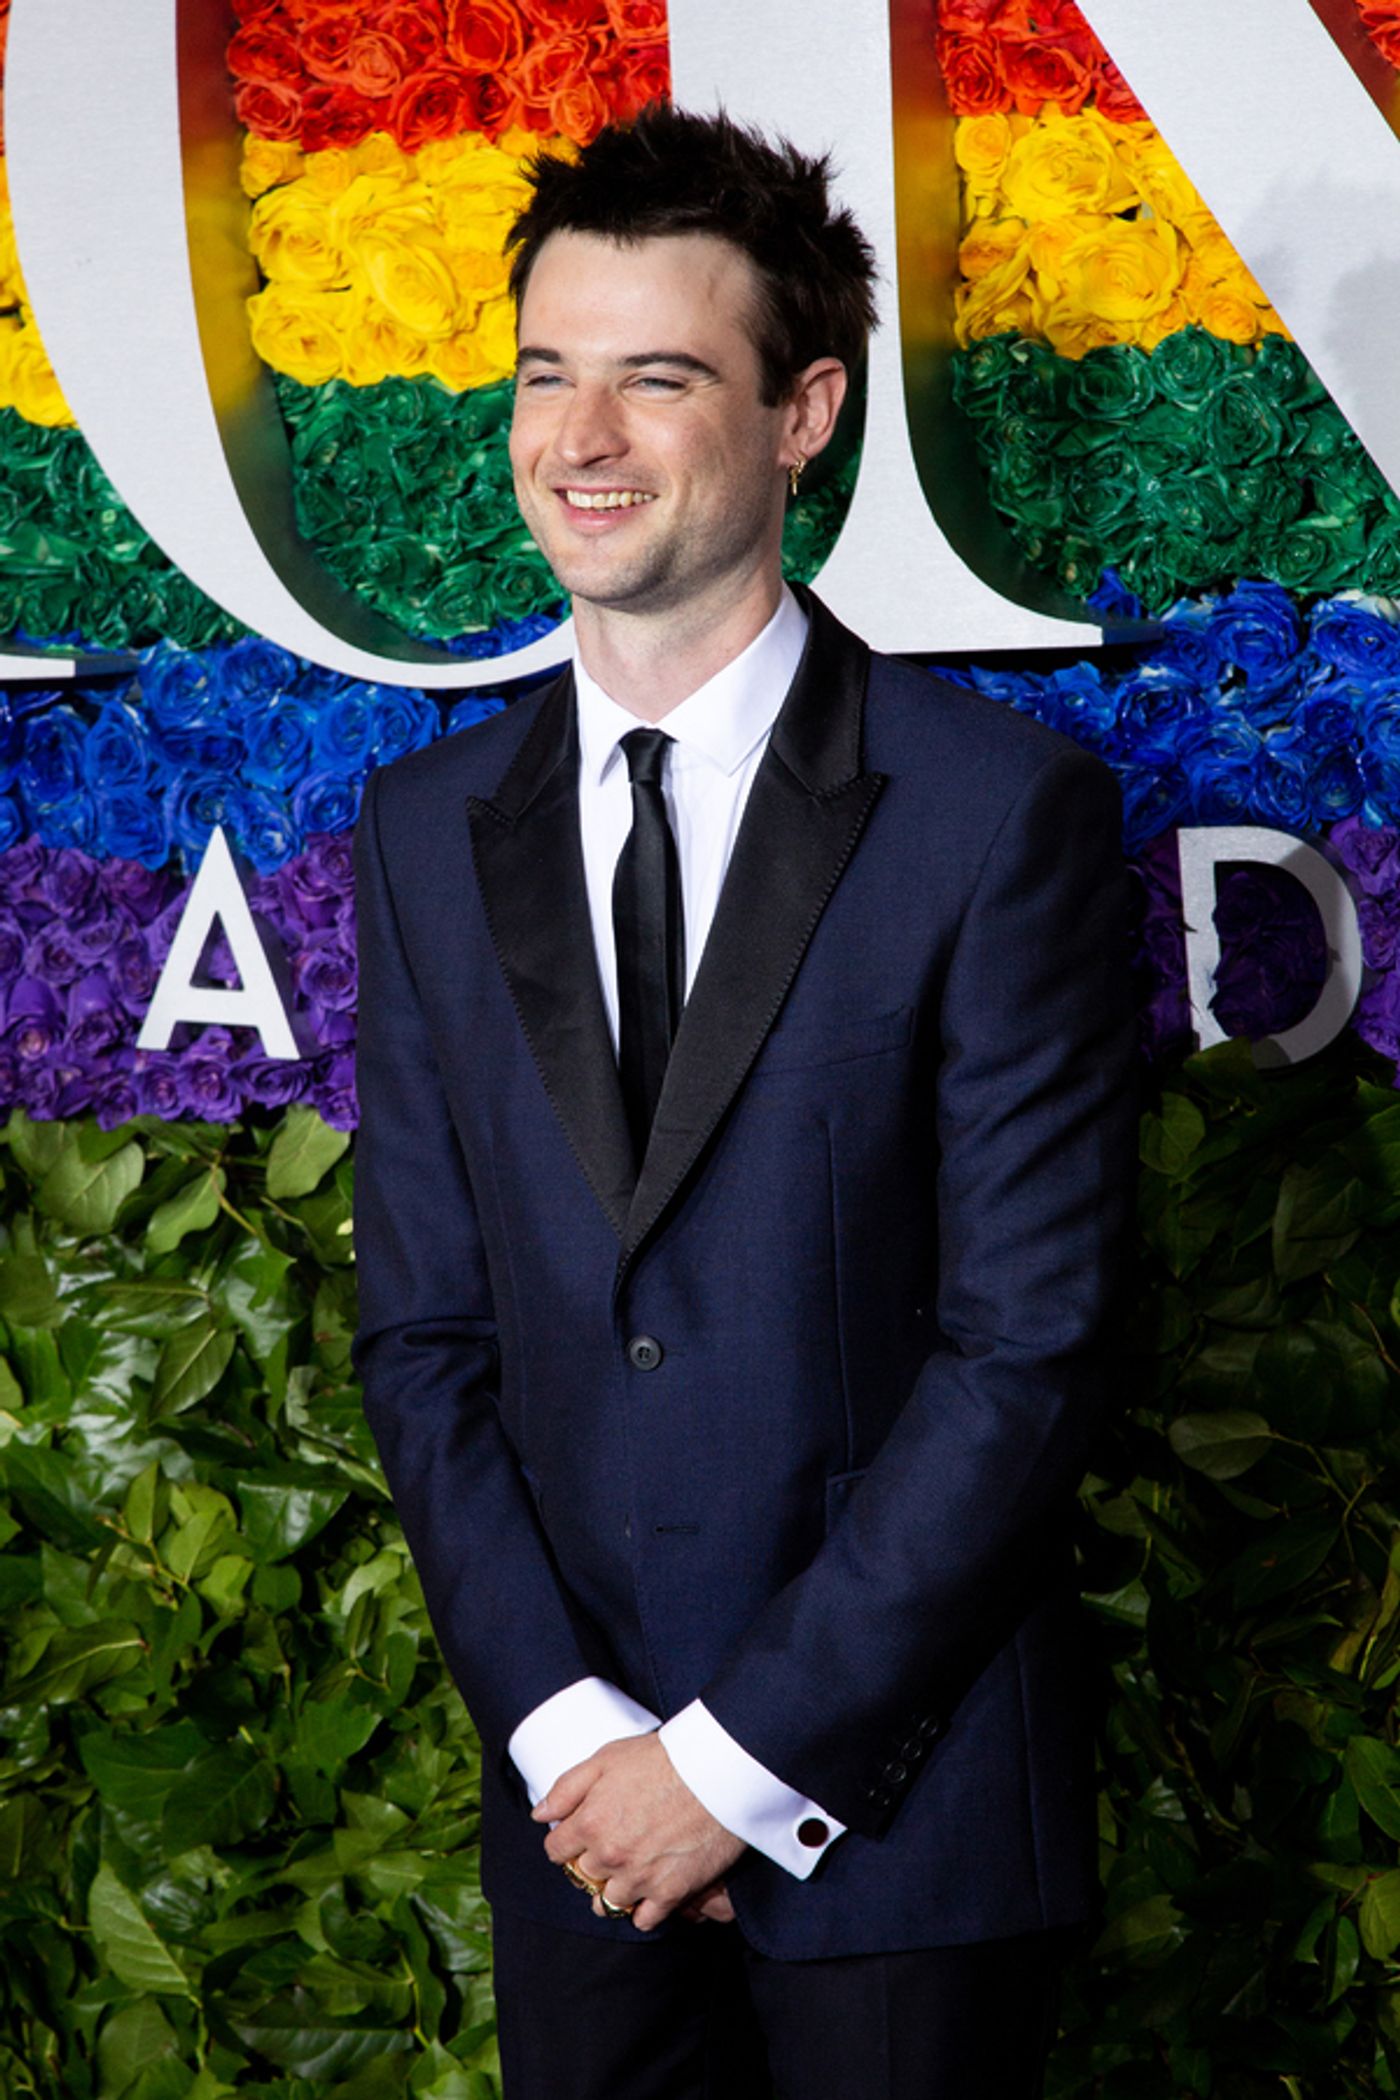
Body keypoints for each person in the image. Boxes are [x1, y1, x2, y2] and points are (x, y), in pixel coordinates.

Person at [353, 103, 1136, 2100]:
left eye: (658, 378)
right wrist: (573, 1745)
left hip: (899, 1835)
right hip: (576, 1841)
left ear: (805, 414)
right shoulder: (426, 829)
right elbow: (425, 1340)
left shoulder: (995, 815)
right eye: (547, 372)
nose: (579, 438)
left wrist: (726, 1767)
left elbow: (1030, 1350)